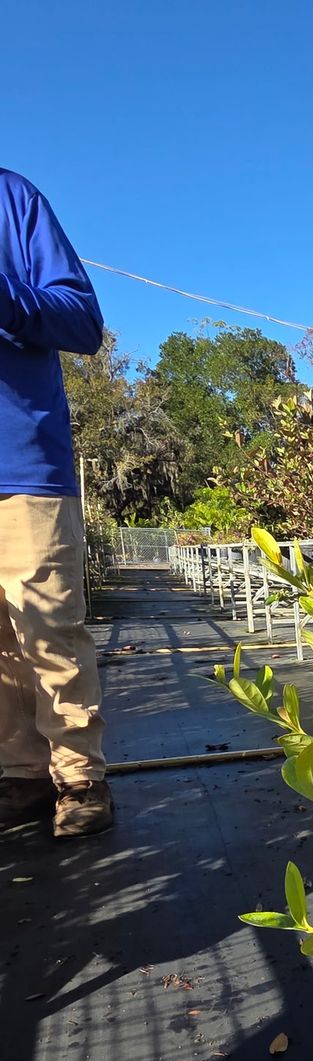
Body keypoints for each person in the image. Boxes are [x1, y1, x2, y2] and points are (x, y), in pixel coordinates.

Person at [0, 169, 111, 837]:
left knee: (47, 628)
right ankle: (19, 777)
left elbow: (82, 320)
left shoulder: (13, 200)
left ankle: (79, 778)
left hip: (21, 463)